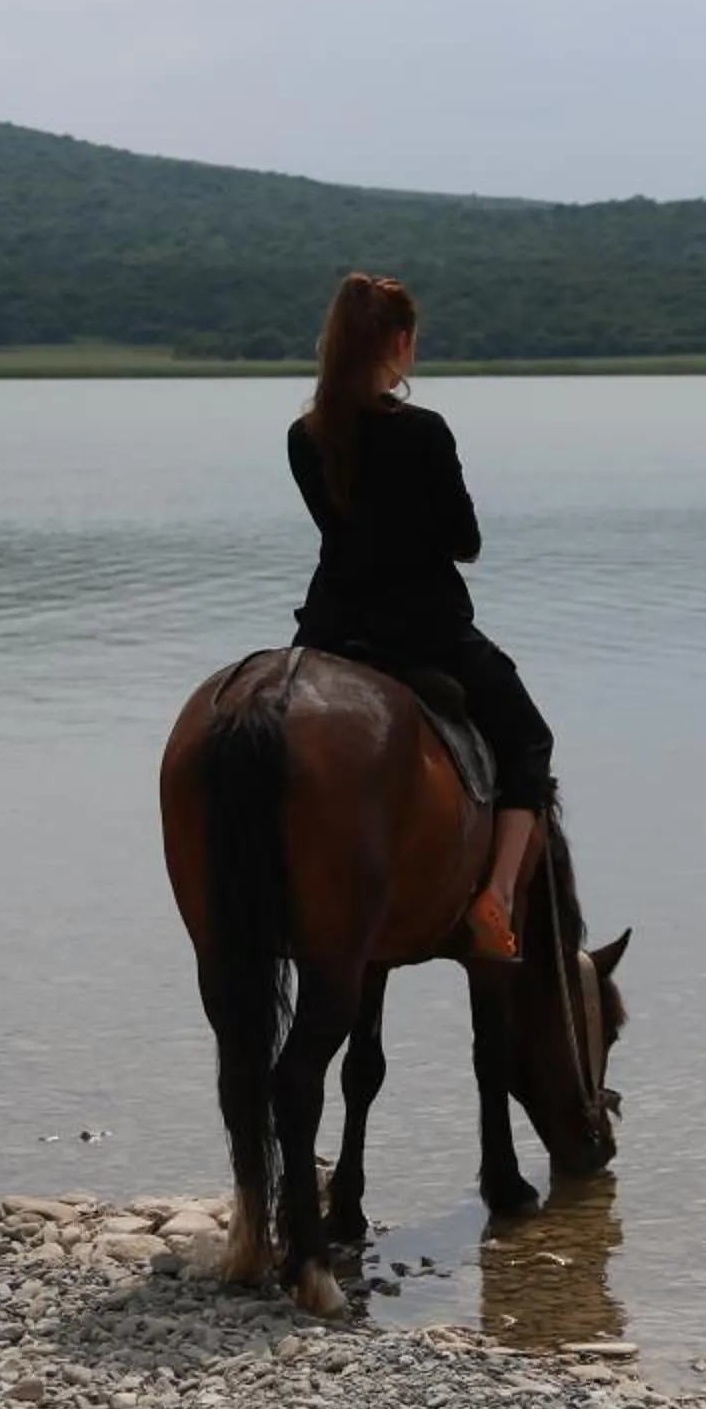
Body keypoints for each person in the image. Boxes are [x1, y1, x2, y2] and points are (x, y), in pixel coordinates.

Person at [287, 272, 553, 961]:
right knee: (528, 740)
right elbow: (464, 541)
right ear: (400, 343)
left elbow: (339, 529)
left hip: (331, 629)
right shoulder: (425, 432)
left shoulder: (304, 435)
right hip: (421, 629)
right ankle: (494, 898)